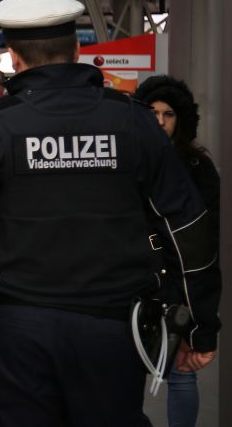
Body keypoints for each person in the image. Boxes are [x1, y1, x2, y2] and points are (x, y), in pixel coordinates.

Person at [0, 0, 219, 427]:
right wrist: (200, 326)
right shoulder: (136, 123)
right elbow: (188, 232)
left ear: (13, 55)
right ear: (79, 51)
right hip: (115, 330)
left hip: (17, 332)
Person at [134, 75, 221, 427]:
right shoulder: (128, 164)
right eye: (152, 112)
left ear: (180, 118)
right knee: (129, 369)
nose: (159, 121)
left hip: (180, 279)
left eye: (168, 114)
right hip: (137, 278)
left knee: (182, 370)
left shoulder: (199, 167)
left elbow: (206, 236)